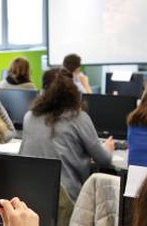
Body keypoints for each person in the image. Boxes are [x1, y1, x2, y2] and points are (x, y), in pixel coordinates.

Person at [21, 68, 114, 203]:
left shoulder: (29, 116)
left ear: (43, 92)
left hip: (31, 194)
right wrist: (108, 148)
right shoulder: (78, 118)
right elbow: (103, 159)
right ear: (74, 92)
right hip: (67, 199)